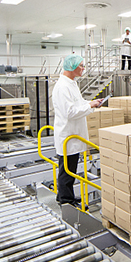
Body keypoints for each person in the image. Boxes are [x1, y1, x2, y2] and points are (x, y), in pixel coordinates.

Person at [52, 54, 103, 207]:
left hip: (73, 136)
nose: (83, 68)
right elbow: (70, 112)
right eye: (81, 65)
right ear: (72, 67)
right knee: (67, 171)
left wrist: (92, 103)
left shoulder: (72, 84)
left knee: (70, 170)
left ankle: (64, 195)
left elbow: (78, 104)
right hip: (68, 135)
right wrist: (89, 106)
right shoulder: (63, 87)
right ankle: (66, 201)